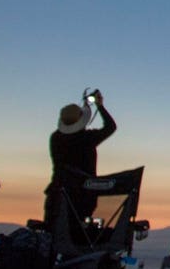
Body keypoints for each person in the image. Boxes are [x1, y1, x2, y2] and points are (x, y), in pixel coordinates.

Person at [44, 88, 117, 242]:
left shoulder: (56, 138)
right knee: (74, 237)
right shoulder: (86, 139)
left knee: (51, 238)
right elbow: (110, 127)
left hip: (57, 195)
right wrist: (99, 106)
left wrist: (85, 107)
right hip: (81, 198)